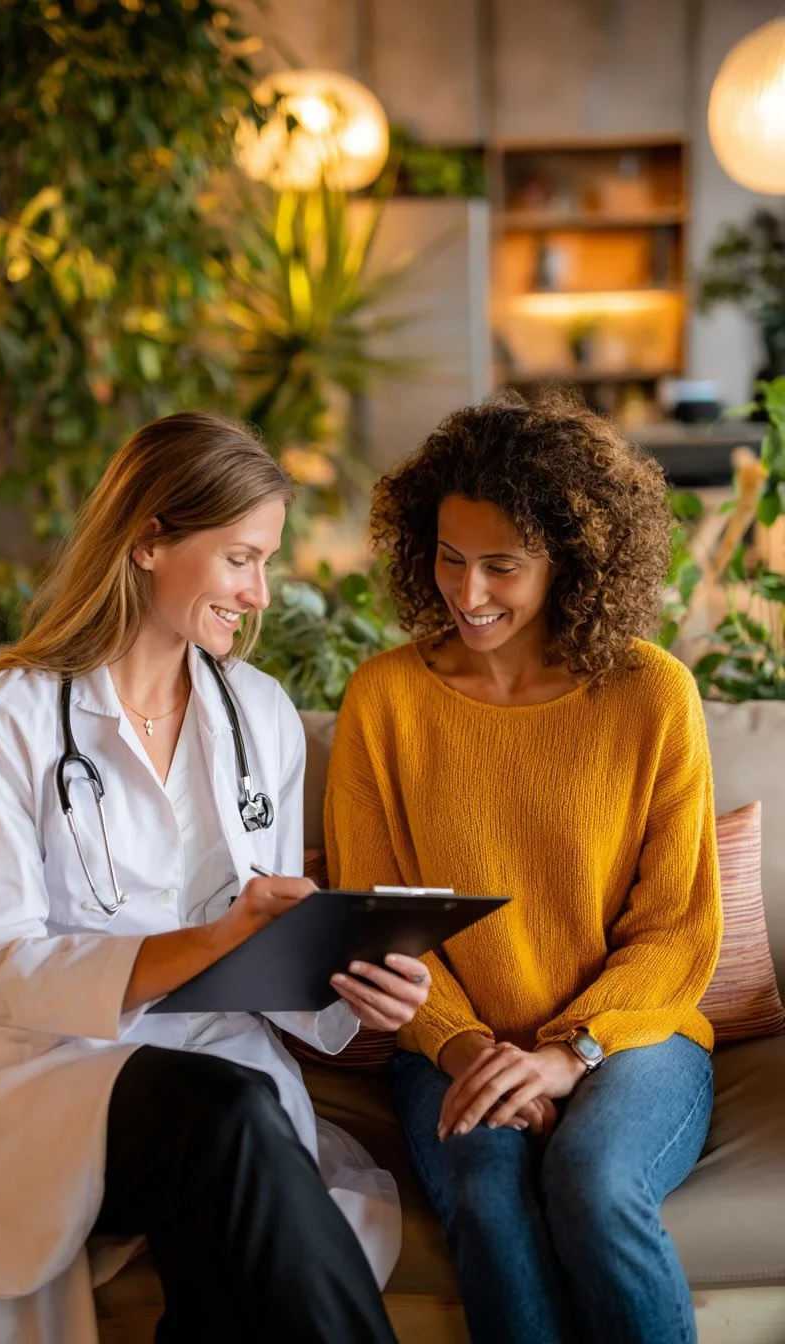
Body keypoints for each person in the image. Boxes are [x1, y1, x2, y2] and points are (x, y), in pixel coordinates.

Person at [0, 411, 432, 1344]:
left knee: (230, 1179)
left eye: (266, 563)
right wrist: (212, 940)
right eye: (240, 559)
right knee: (225, 1115)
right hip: (50, 1080)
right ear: (150, 539)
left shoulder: (260, 714)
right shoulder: (10, 717)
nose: (261, 594)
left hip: (220, 1074)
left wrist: (350, 980)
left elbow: (266, 944)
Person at [324, 390, 723, 1344]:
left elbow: (676, 928)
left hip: (631, 1038)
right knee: (488, 1194)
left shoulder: (652, 695)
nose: (469, 594)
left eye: (502, 566)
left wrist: (564, 1057)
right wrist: (470, 1049)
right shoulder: (384, 701)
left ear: (572, 562)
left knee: (592, 1179)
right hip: (454, 1040)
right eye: (450, 559)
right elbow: (377, 925)